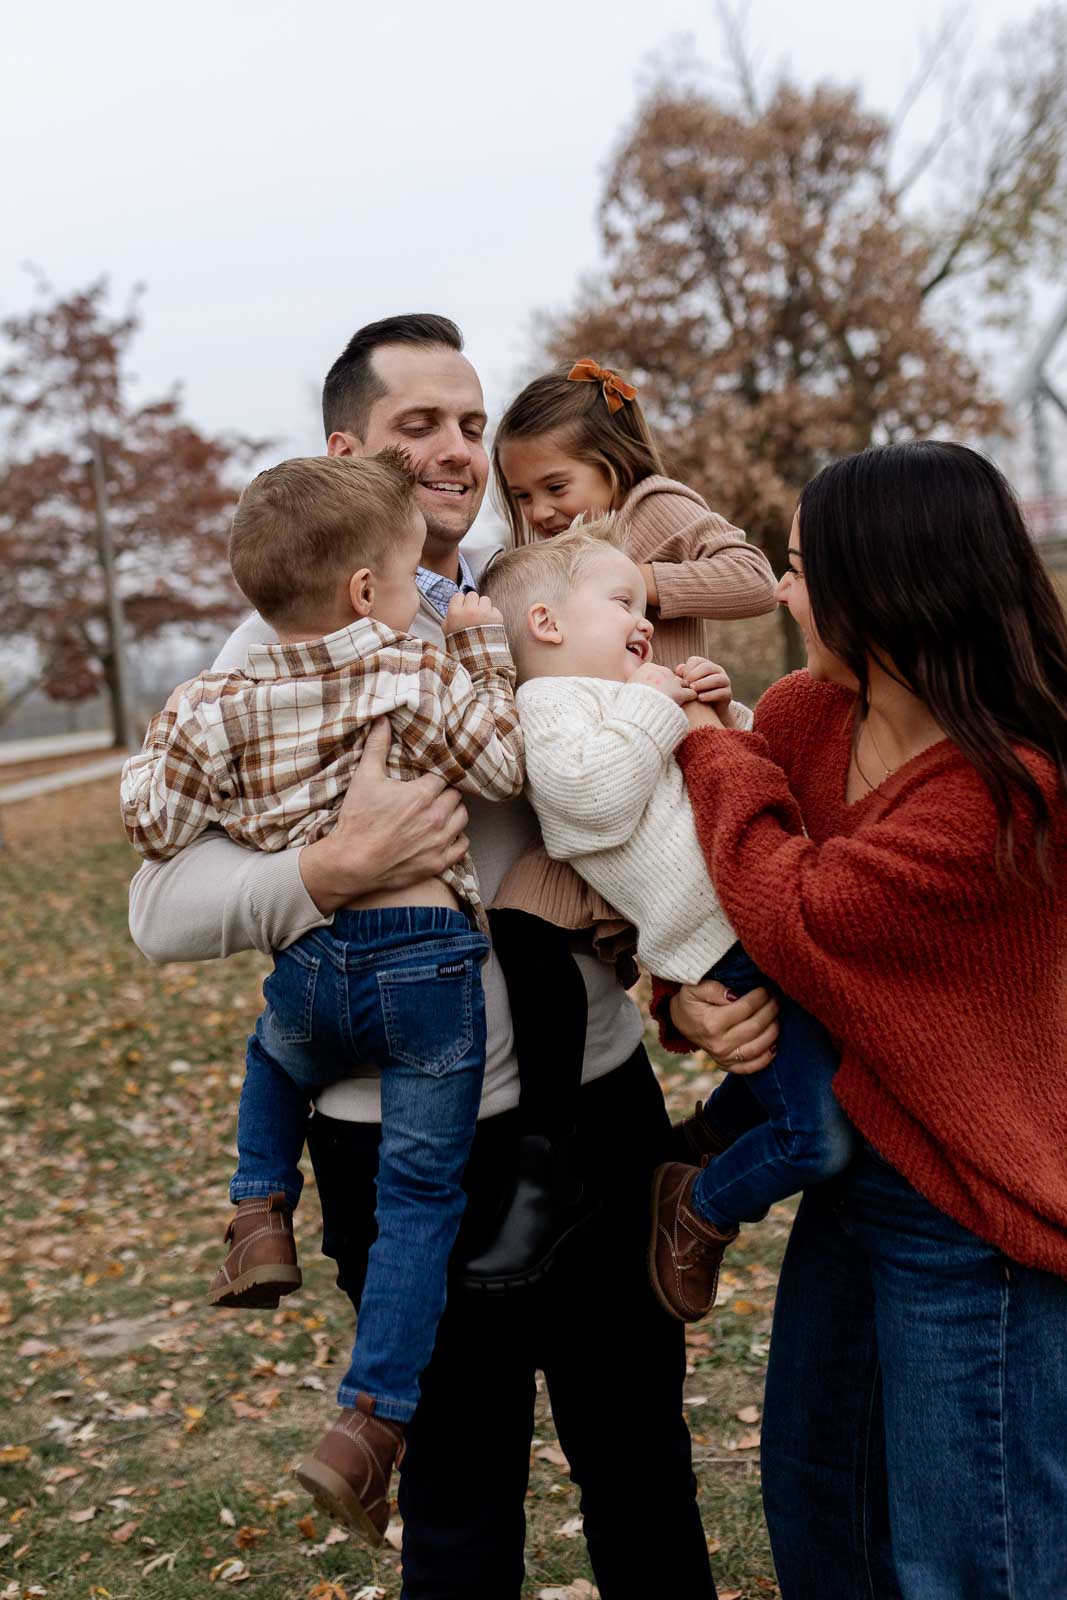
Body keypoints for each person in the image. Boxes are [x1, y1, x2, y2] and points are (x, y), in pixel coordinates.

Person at [127, 315, 718, 1598]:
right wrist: (324, 871)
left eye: (469, 423)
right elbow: (154, 905)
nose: (456, 450)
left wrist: (681, 983)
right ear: (346, 452)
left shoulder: (535, 596)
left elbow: (630, 806)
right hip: (402, 1141)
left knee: (641, 1467)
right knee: (456, 1499)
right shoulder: (273, 648)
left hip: (594, 1106)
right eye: (419, 426)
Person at [650, 441, 1067, 1598]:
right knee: (818, 1511)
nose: (783, 595)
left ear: (884, 589)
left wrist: (707, 747)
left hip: (970, 1212)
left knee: (969, 1563)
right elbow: (718, 894)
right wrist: (685, 1001)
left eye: (797, 570)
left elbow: (802, 909)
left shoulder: (1007, 791)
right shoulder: (805, 714)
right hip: (848, 1173)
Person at [120, 449, 526, 1544]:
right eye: (407, 574)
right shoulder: (410, 668)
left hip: (311, 963)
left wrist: (178, 749)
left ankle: (259, 1210)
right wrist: (479, 650)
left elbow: (152, 823)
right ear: (365, 590)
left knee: (273, 1053)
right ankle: (370, 1422)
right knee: (420, 1201)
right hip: (425, 969)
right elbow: (503, 766)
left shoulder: (215, 699)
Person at [478, 523, 854, 1317]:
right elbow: (589, 808)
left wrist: (721, 711)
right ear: (547, 624)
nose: (642, 618)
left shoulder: (627, 697)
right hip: (719, 948)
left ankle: (695, 1145)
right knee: (815, 1139)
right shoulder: (546, 707)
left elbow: (730, 781)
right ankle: (699, 1206)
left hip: (765, 917)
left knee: (830, 1080)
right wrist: (655, 706)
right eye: (621, 602)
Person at [460, 358, 779, 1286]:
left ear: (612, 461)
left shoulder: (654, 509)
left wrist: (635, 580)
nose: (542, 512)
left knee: (730, 963)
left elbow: (752, 577)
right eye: (523, 497)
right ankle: (545, 1159)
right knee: (521, 921)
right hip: (597, 781)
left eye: (556, 487)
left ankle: (713, 1142)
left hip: (668, 778)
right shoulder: (550, 564)